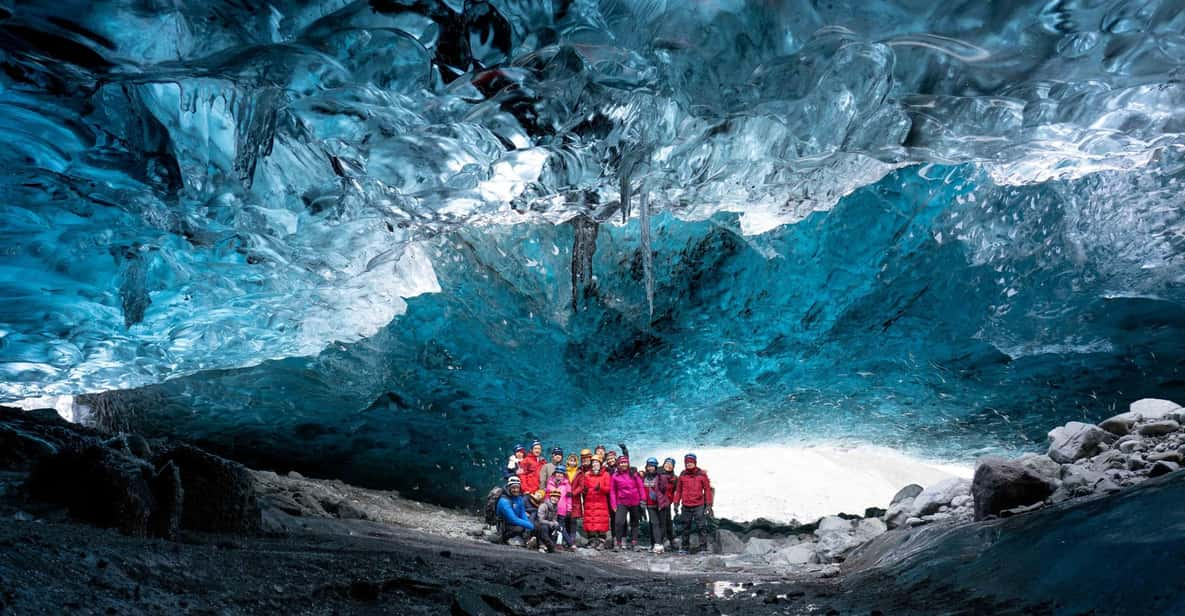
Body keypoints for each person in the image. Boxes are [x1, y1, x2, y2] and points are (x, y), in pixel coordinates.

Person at [673, 453, 713, 554]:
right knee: (685, 527)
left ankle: (703, 548)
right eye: (687, 462)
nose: (689, 464)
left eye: (691, 462)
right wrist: (676, 503)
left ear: (695, 463)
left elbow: (707, 490)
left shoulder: (702, 475)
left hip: (699, 505)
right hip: (686, 505)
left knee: (701, 526)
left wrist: (708, 505)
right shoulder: (682, 475)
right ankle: (685, 548)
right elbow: (678, 491)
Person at [610, 455, 645, 551]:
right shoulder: (615, 476)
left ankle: (634, 543)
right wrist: (613, 504)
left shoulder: (633, 473)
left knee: (634, 523)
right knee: (618, 522)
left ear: (628, 463)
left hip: (635, 501)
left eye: (625, 462)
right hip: (622, 502)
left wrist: (643, 500)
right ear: (618, 464)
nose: (624, 464)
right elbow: (612, 491)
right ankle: (618, 543)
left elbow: (640, 487)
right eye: (622, 463)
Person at [642, 457, 674, 553]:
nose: (650, 468)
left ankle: (658, 543)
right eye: (649, 466)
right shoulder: (644, 477)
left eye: (652, 466)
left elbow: (664, 489)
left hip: (660, 504)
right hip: (650, 505)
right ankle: (656, 544)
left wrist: (661, 479)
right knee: (654, 523)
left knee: (662, 524)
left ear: (656, 467)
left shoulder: (660, 477)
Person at [581, 456, 612, 549]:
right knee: (591, 521)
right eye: (593, 463)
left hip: (601, 502)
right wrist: (585, 490)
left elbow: (608, 489)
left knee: (601, 521)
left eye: (597, 463)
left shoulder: (606, 474)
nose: (595, 464)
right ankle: (592, 541)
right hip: (590, 501)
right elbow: (584, 488)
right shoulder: (587, 474)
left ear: (600, 464)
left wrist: (601, 488)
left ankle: (602, 541)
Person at [495, 476, 535, 545]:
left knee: (531, 526)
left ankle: (527, 541)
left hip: (514, 523)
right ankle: (504, 539)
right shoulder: (503, 501)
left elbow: (522, 513)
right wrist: (530, 526)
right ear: (508, 488)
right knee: (520, 528)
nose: (516, 490)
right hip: (504, 525)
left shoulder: (519, 498)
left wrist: (529, 525)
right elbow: (513, 519)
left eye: (517, 488)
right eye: (513, 488)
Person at [545, 465, 575, 550]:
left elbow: (569, 498)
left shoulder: (567, 485)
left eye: (561, 474)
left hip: (562, 510)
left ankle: (568, 543)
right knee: (552, 526)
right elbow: (547, 496)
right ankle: (552, 543)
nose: (559, 475)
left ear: (564, 475)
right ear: (555, 474)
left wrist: (569, 509)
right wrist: (546, 506)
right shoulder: (550, 483)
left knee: (561, 527)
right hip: (551, 509)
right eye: (558, 473)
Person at [659, 457, 678, 549]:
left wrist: (675, 503)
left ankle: (671, 539)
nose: (668, 466)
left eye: (671, 465)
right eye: (667, 463)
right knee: (660, 521)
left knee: (668, 521)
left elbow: (677, 490)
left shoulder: (674, 477)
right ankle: (663, 539)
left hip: (667, 502)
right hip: (658, 501)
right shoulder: (657, 473)